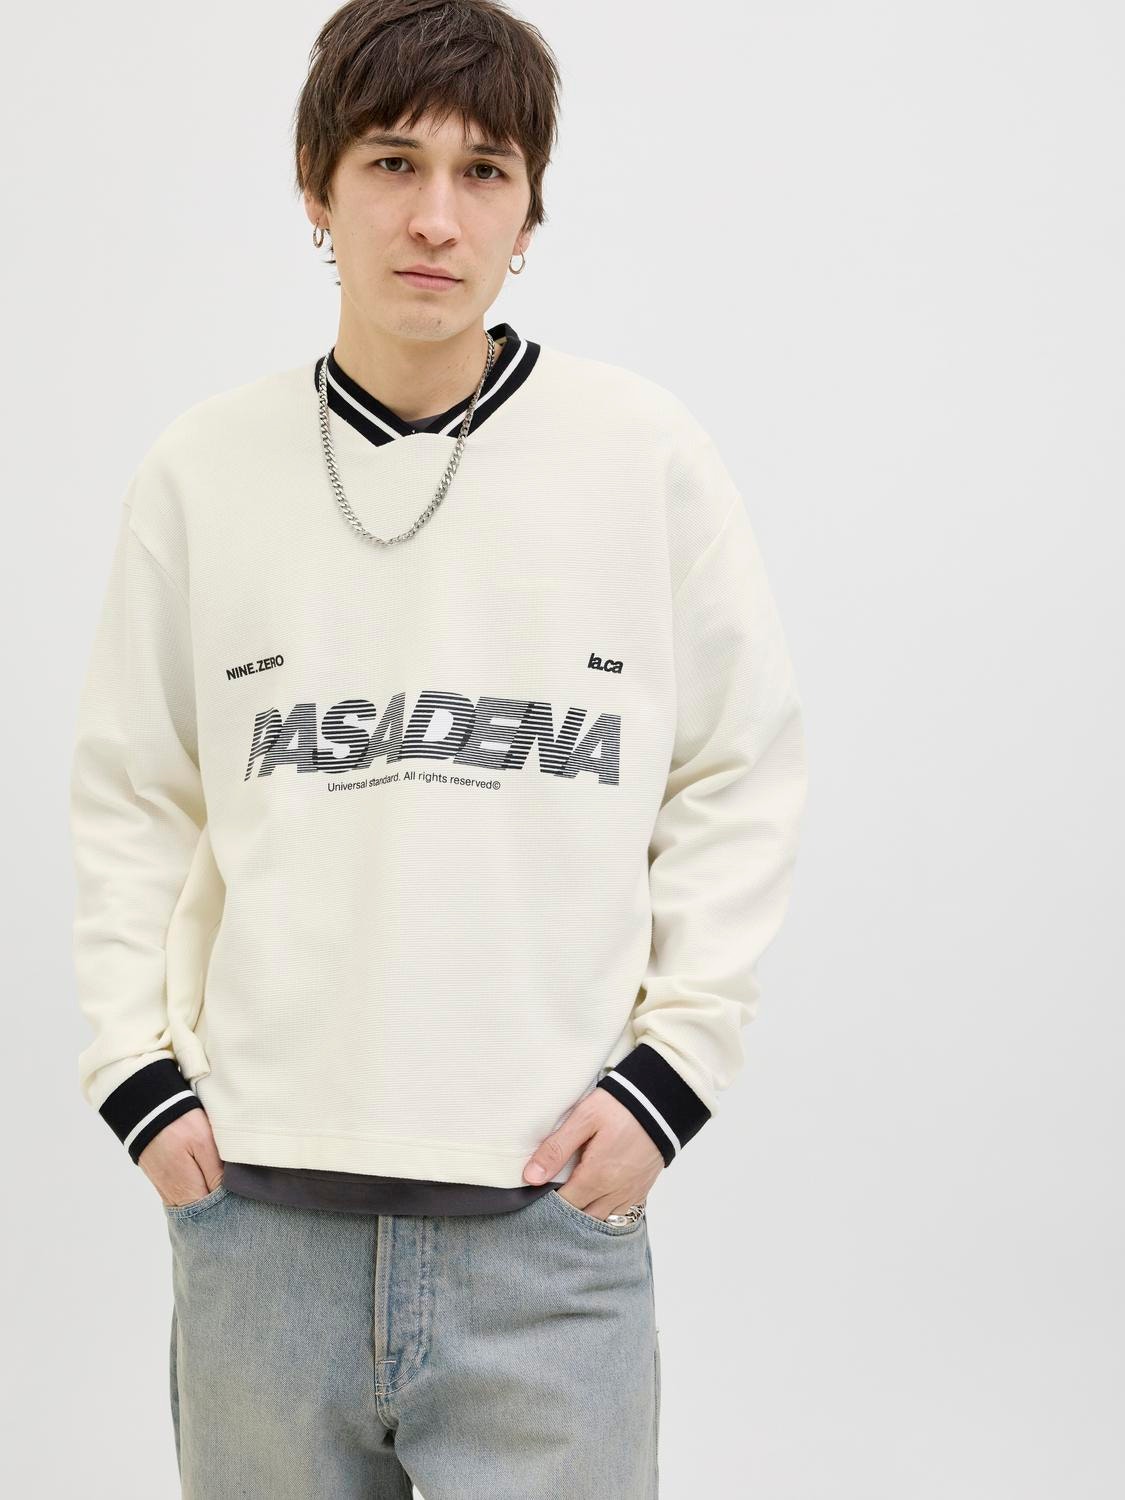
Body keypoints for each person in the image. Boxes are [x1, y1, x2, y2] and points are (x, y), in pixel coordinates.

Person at [68, 1, 809, 1494]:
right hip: (261, 1232)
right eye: (392, 162)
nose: (433, 217)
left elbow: (739, 772)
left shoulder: (642, 458)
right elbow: (134, 797)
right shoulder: (204, 473)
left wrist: (670, 1077)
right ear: (315, 185)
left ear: (530, 212)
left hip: (545, 1236)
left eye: (485, 173)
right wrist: (136, 1078)